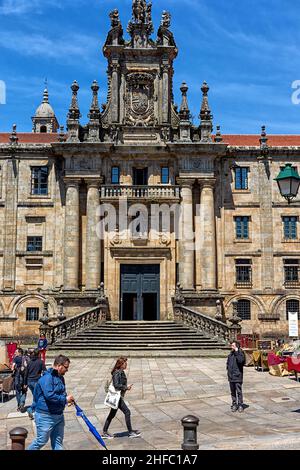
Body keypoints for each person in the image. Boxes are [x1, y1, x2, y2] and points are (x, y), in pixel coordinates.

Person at [27, 355, 75, 451]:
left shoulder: (60, 377)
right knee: (41, 441)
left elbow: (61, 393)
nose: (67, 370)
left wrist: (66, 401)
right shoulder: (47, 378)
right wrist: (65, 399)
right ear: (58, 365)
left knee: (58, 442)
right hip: (45, 416)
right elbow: (49, 396)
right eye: (66, 367)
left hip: (59, 415)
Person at [103, 357, 141, 439]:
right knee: (127, 412)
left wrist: (126, 387)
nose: (126, 364)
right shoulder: (117, 373)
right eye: (124, 363)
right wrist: (126, 387)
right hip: (117, 397)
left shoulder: (120, 372)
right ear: (120, 365)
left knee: (111, 415)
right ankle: (130, 432)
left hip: (118, 396)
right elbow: (116, 385)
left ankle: (105, 432)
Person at [24, 349, 46, 420]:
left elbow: (26, 373)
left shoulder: (29, 362)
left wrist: (25, 383)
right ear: (39, 354)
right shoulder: (40, 362)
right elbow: (45, 371)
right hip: (36, 381)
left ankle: (35, 410)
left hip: (29, 381)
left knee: (35, 395)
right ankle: (31, 409)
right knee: (38, 396)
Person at [227, 340, 246, 413]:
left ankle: (240, 404)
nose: (231, 347)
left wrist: (237, 352)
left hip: (237, 376)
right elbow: (228, 364)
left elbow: (241, 361)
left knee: (239, 391)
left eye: (233, 346)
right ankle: (234, 404)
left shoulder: (240, 353)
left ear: (236, 347)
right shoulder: (230, 354)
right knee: (232, 392)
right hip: (231, 376)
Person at [12, 348, 27, 412]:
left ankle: (19, 405)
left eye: (16, 352)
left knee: (18, 392)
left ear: (20, 352)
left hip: (17, 377)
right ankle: (22, 403)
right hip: (24, 377)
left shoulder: (15, 358)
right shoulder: (26, 358)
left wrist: (13, 369)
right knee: (24, 390)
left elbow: (12, 367)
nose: (15, 353)